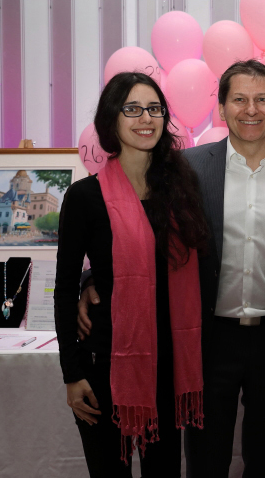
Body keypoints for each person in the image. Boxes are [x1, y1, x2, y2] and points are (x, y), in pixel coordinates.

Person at [78, 60, 265, 477]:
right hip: (206, 340)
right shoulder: (186, 168)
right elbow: (138, 230)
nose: (251, 109)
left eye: (261, 99)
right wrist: (91, 280)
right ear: (221, 108)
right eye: (239, 99)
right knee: (205, 463)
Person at [54, 72, 208, 477]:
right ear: (112, 119)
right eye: (133, 109)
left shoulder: (180, 190)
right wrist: (72, 373)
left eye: (154, 109)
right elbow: (65, 288)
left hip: (168, 367)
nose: (146, 119)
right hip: (105, 365)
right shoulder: (85, 197)